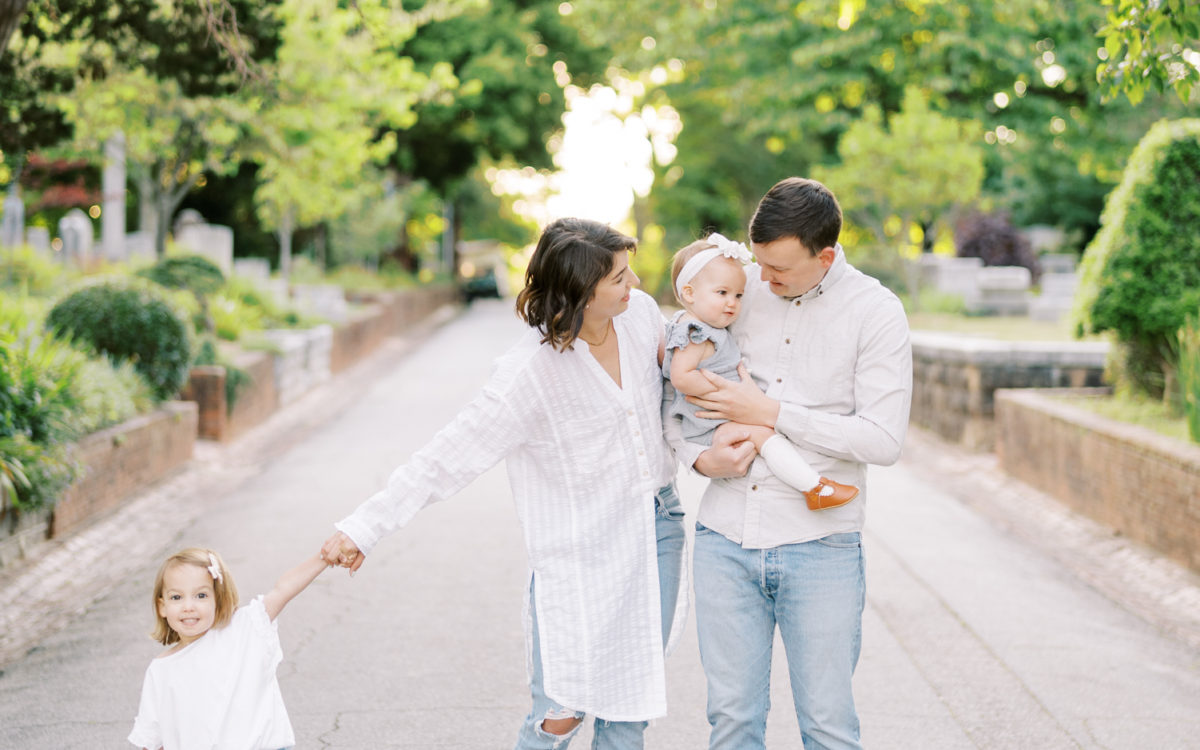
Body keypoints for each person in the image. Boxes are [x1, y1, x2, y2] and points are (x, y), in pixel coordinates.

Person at [320, 217, 687, 750]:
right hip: (580, 551)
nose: (634, 285)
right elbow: (446, 456)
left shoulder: (642, 318)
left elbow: (690, 380)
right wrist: (363, 528)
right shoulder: (528, 376)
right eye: (619, 279)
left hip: (656, 529)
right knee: (560, 712)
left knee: (629, 706)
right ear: (580, 292)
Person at [666, 178, 912, 749]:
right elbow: (673, 393)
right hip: (725, 539)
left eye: (779, 270)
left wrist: (771, 412)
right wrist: (700, 460)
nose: (762, 281)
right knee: (731, 722)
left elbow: (882, 440)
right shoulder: (735, 286)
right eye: (758, 264)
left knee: (827, 726)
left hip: (821, 545)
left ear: (824, 256)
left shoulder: (875, 311)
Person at [663, 232, 858, 510]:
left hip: (718, 417)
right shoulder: (694, 332)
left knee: (768, 432)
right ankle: (814, 487)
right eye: (722, 293)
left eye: (738, 295)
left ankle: (815, 486)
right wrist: (728, 396)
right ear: (689, 293)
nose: (732, 303)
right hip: (710, 421)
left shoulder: (707, 326)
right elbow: (681, 377)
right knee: (765, 435)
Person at [128, 546, 330, 750]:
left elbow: (284, 589)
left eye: (201, 596)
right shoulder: (161, 670)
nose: (188, 606)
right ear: (162, 606)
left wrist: (325, 556)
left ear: (218, 598)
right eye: (176, 597)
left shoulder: (244, 629)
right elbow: (152, 740)